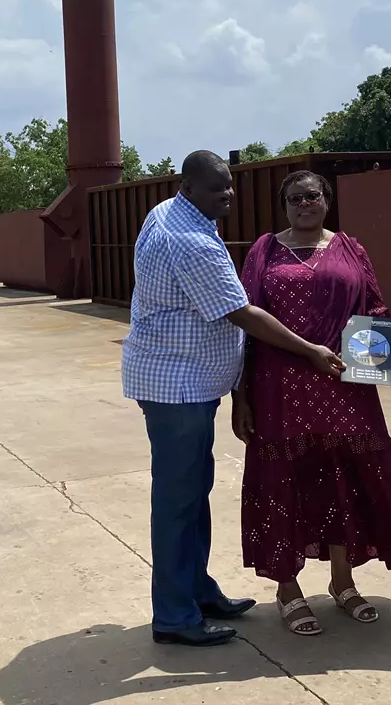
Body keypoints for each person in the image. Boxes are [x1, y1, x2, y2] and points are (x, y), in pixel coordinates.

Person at [121, 151, 345, 648]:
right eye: (215, 188)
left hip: (182, 379)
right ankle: (174, 616)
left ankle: (197, 592)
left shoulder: (169, 212)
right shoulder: (190, 240)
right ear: (187, 187)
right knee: (177, 502)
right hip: (177, 385)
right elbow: (241, 313)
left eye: (229, 186)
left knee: (192, 492)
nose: (226, 195)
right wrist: (310, 350)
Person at [234, 171, 391, 637]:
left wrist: (389, 336)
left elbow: (372, 309)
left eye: (312, 195)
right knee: (283, 484)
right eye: (295, 197)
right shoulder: (264, 251)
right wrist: (241, 395)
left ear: (327, 200)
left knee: (345, 479)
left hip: (344, 385)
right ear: (284, 204)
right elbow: (244, 327)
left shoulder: (351, 248)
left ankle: (343, 581)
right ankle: (287, 588)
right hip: (280, 387)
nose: (304, 203)